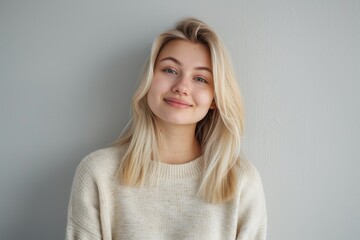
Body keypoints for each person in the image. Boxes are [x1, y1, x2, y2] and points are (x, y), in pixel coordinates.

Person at [65, 17, 267, 240]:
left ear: (214, 99)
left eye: (200, 78)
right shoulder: (98, 173)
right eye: (170, 70)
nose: (182, 87)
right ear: (149, 81)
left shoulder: (240, 181)